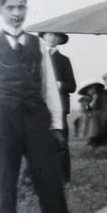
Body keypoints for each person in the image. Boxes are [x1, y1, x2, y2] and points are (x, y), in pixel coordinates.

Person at [0, 0, 71, 213]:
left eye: (21, 7)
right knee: (4, 182)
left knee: (49, 180)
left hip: (36, 119)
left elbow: (50, 88)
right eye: (11, 8)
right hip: (2, 120)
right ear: (0, 11)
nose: (17, 13)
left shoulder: (39, 44)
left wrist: (56, 127)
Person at [42, 32, 76, 183]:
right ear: (43, 36)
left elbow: (72, 85)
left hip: (59, 106)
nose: (52, 38)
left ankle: (63, 178)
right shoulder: (37, 57)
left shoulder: (63, 60)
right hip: (39, 104)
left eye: (57, 36)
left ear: (61, 40)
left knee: (61, 141)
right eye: (49, 35)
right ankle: (36, 177)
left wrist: (57, 85)